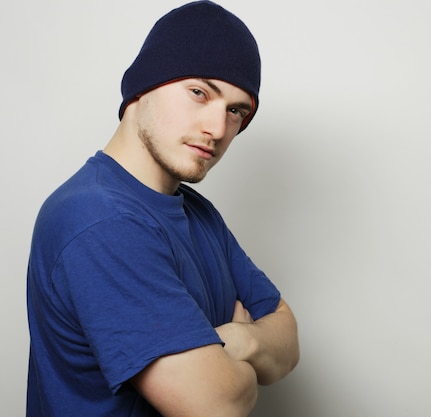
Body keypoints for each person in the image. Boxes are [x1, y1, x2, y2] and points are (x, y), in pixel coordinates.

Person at [26, 1, 299, 416]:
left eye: (236, 111)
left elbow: (287, 340)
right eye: (199, 93)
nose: (218, 129)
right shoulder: (99, 220)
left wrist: (239, 342)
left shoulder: (197, 212)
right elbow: (217, 406)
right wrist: (244, 365)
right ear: (142, 88)